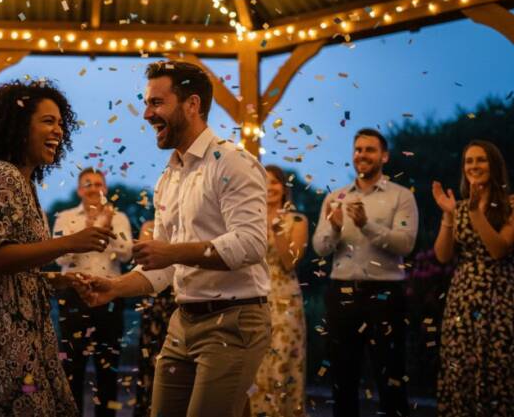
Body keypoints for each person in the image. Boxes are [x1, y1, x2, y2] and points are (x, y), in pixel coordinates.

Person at [82, 60, 271, 417]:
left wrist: (169, 251)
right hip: (182, 322)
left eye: (156, 103)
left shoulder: (232, 163)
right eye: (147, 103)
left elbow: (250, 244)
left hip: (233, 321)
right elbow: (163, 268)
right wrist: (114, 287)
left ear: (192, 104)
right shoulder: (169, 177)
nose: (146, 113)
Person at [0, 80, 116, 417]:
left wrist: (58, 281)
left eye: (61, 124)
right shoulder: (1, 176)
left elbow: (17, 269)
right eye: (48, 122)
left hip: (20, 329)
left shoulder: (23, 182)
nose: (59, 132)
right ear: (19, 126)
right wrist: (70, 242)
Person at [312, 128, 419, 417]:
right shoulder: (336, 197)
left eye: (369, 149)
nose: (362, 155)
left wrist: (366, 225)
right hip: (342, 293)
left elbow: (406, 244)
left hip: (385, 294)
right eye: (358, 149)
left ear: (384, 156)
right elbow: (320, 248)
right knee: (342, 378)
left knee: (391, 376)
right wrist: (334, 227)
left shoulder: (402, 196)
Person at [432, 140, 514, 416]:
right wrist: (448, 214)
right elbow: (443, 256)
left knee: (497, 369)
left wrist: (476, 213)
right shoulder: (461, 206)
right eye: (468, 161)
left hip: (499, 299)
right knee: (460, 370)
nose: (474, 166)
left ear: (494, 165)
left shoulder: (511, 205)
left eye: (480, 160)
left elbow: (499, 250)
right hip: (463, 300)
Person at [53, 168, 133, 417]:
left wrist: (105, 228)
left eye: (98, 183)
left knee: (108, 367)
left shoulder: (118, 218)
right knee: (72, 366)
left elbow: (126, 253)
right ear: (79, 190)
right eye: (87, 184)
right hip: (73, 296)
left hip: (109, 296)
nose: (93, 188)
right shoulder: (65, 217)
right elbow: (59, 257)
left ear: (105, 189)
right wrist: (83, 235)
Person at [251, 165, 309, 417]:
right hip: (253, 296)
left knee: (283, 363)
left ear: (284, 188)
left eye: (274, 182)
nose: (269, 187)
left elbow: (290, 262)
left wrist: (277, 230)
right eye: (264, 182)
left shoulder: (297, 220)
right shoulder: (248, 218)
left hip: (284, 299)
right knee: (255, 366)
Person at [132, 220, 176, 417]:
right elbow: (143, 262)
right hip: (156, 302)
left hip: (181, 300)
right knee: (152, 359)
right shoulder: (149, 226)